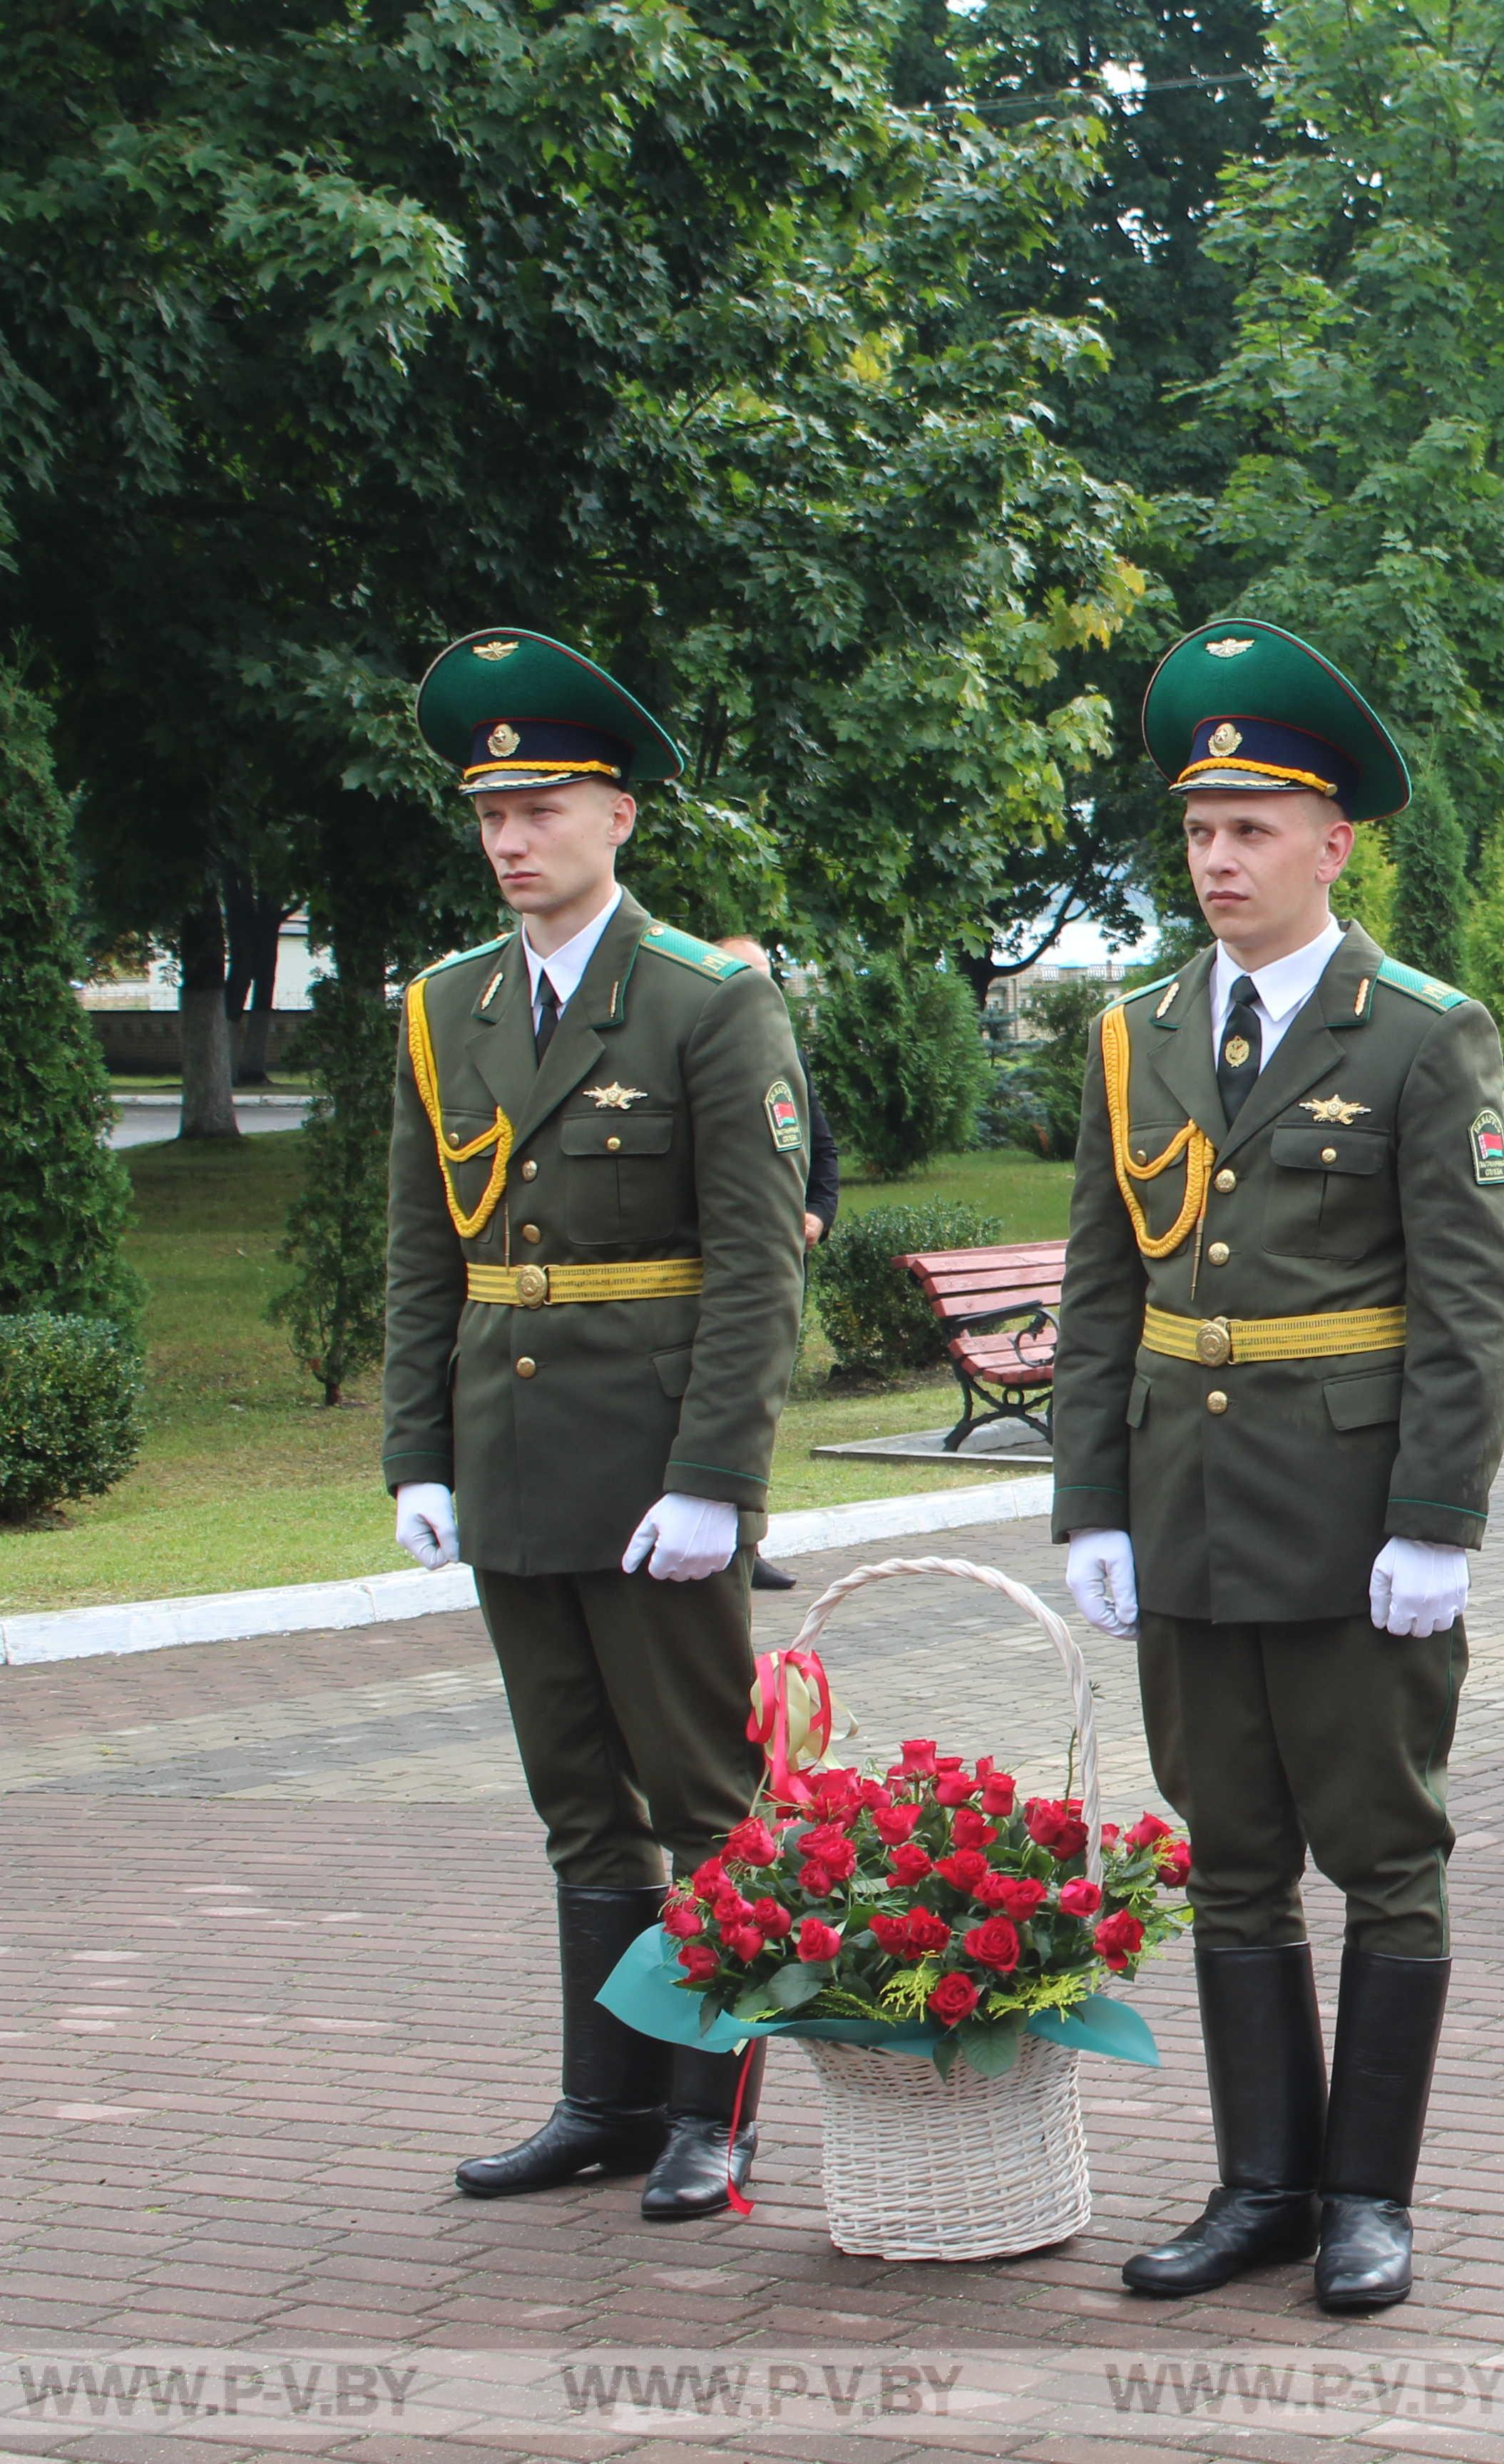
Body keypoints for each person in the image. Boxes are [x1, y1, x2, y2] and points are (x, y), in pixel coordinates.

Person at [1053, 620, 1504, 2311]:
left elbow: (1470, 1308)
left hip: (1350, 1516)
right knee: (1228, 1850)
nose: (1220, 858)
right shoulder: (1134, 1032)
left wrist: (1436, 1521)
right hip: (1187, 1503)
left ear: (1333, 842)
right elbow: (1103, 1281)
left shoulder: (1418, 1032)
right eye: (1198, 828)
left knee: (1382, 1852)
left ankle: (1365, 2197)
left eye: (1254, 828)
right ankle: (1259, 2179)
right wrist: (1087, 1501)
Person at [385, 628, 807, 2221]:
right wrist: (417, 1451)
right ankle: (605, 2101)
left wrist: (716, 1479)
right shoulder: (444, 1006)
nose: (511, 841)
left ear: (619, 817)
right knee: (577, 1794)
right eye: (493, 813)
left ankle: (717, 2111)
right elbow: (427, 1245)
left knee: (706, 1801)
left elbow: (760, 1266)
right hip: (510, 1453)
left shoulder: (706, 1001)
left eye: (544, 808)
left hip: (653, 1464)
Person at [714, 933, 832, 1593]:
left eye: (764, 978)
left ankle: (746, 1542)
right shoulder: (696, 1052)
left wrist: (818, 1212)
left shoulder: (784, 1057)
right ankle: (736, 1545)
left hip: (779, 1265)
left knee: (762, 1406)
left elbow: (822, 1149)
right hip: (712, 1278)